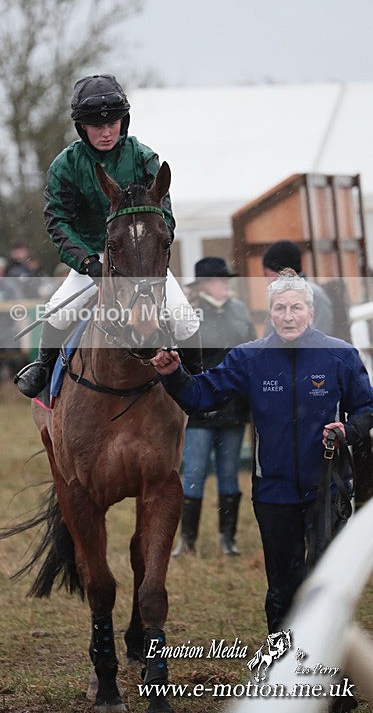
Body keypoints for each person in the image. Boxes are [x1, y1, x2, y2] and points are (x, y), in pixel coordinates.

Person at [151, 270, 373, 644]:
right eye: (280, 308)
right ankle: (284, 659)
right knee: (283, 586)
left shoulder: (340, 355)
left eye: (296, 308)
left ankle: (328, 664)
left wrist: (347, 431)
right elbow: (200, 397)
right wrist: (174, 374)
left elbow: (367, 408)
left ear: (311, 312)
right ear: (269, 314)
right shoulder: (249, 358)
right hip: (274, 491)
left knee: (326, 583)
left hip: (328, 488)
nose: (288, 316)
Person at [16, 73, 200, 398]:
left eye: (112, 124)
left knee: (185, 319)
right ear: (82, 127)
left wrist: (147, 254)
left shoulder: (144, 158)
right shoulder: (65, 165)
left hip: (140, 257)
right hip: (92, 258)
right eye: (97, 126)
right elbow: (57, 221)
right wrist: (87, 262)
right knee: (58, 312)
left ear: (123, 121)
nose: (106, 132)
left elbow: (165, 216)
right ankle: (43, 369)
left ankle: (199, 382)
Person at [173, 257, 255, 558]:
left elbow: (251, 352)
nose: (226, 285)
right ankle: (187, 539)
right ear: (205, 284)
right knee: (194, 472)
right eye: (220, 280)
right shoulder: (189, 314)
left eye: (226, 280)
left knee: (229, 473)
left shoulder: (239, 311)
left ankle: (227, 538)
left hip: (233, 407)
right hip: (200, 406)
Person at [262, 240, 335, 335]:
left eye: (266, 273)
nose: (266, 278)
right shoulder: (280, 296)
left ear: (277, 272)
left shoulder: (313, 295)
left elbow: (320, 337)